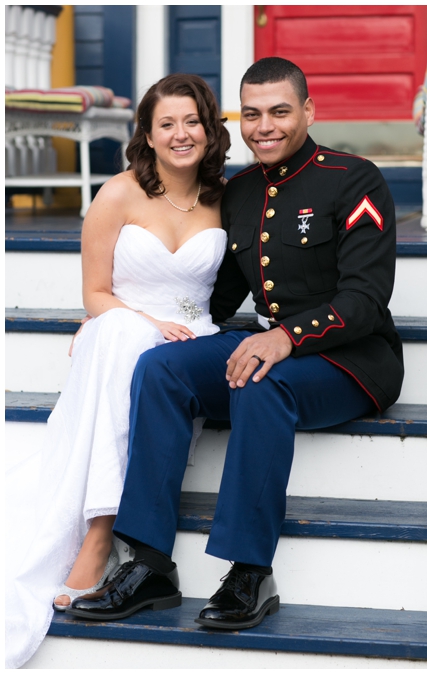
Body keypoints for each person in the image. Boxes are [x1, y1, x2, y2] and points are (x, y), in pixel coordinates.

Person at [65, 57, 403, 631]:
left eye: (279, 112)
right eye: (251, 114)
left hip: (350, 362)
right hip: (272, 350)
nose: (264, 126)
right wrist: (112, 317)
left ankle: (250, 571)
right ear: (238, 120)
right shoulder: (240, 191)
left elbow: (366, 300)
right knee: (163, 368)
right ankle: (149, 564)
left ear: (308, 112)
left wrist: (286, 336)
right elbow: (212, 299)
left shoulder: (353, 178)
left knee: (259, 384)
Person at [6, 73, 230, 669]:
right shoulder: (118, 194)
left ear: (209, 130)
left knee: (157, 357)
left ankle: (107, 533)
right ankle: (100, 530)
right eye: (167, 124)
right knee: (125, 333)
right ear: (148, 135)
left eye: (193, 122)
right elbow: (96, 294)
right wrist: (132, 321)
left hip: (190, 344)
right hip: (125, 330)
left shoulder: (224, 197)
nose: (182, 134)